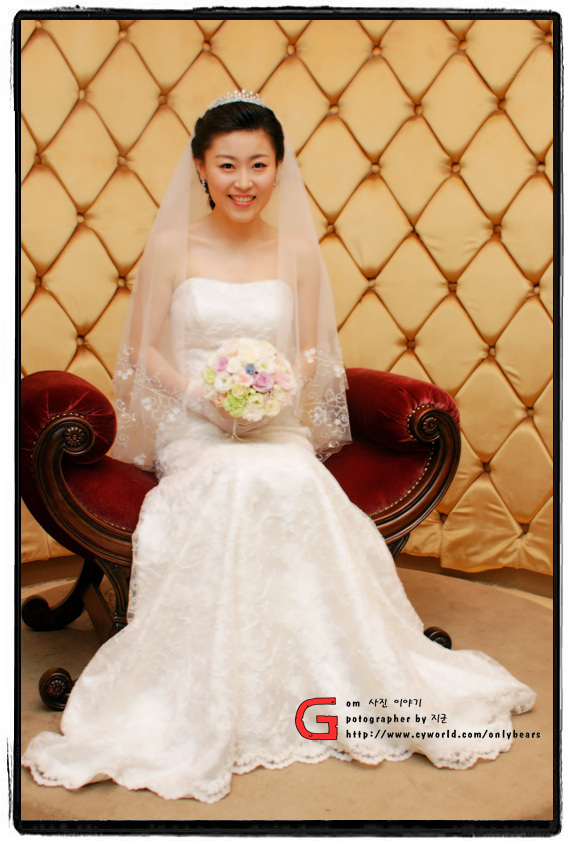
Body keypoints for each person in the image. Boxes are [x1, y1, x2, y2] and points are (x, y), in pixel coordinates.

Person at [22, 91, 536, 804]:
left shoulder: (295, 250)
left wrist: (271, 394)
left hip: (274, 421)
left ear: (278, 167)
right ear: (201, 168)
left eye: (258, 164)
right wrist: (204, 398)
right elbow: (143, 353)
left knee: (291, 479)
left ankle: (319, 668)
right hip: (195, 424)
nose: (244, 180)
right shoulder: (172, 246)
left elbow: (309, 351)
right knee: (234, 481)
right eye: (227, 164)